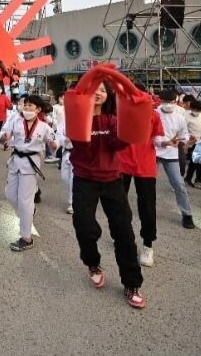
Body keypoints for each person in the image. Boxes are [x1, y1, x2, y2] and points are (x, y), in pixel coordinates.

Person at [69, 81, 145, 309]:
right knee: (84, 226)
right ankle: (93, 263)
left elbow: (116, 144)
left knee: (123, 232)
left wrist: (131, 129)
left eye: (103, 90)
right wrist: (83, 112)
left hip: (112, 179)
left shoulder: (113, 120)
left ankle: (132, 284)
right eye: (94, 90)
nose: (99, 93)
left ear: (108, 95)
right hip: (84, 179)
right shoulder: (77, 118)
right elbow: (81, 145)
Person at [0, 94, 58, 252]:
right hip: (15, 160)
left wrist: (53, 145)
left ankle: (26, 238)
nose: (26, 108)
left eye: (30, 106)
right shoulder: (16, 121)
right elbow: (4, 135)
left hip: (31, 165)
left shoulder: (44, 127)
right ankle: (29, 212)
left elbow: (54, 142)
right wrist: (3, 138)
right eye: (25, 105)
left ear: (38, 109)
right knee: (10, 195)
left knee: (25, 201)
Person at [119, 110, 164, 267]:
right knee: (119, 204)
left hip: (145, 166)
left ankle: (148, 245)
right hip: (122, 164)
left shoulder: (153, 115)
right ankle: (123, 234)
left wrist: (166, 143)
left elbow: (157, 139)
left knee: (147, 207)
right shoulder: (120, 113)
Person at [154, 89, 195, 229]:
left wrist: (185, 141)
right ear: (160, 100)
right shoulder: (154, 114)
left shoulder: (179, 117)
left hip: (171, 153)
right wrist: (164, 142)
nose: (168, 104)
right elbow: (151, 135)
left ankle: (187, 214)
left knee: (179, 184)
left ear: (176, 101)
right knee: (148, 184)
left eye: (171, 101)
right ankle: (148, 210)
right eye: (165, 101)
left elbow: (184, 134)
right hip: (153, 152)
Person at [183, 100, 201, 188]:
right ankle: (188, 178)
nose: (197, 112)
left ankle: (198, 178)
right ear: (191, 108)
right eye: (195, 109)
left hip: (200, 142)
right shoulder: (186, 117)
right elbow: (183, 130)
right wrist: (188, 140)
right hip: (191, 143)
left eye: (199, 110)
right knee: (194, 162)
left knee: (199, 162)